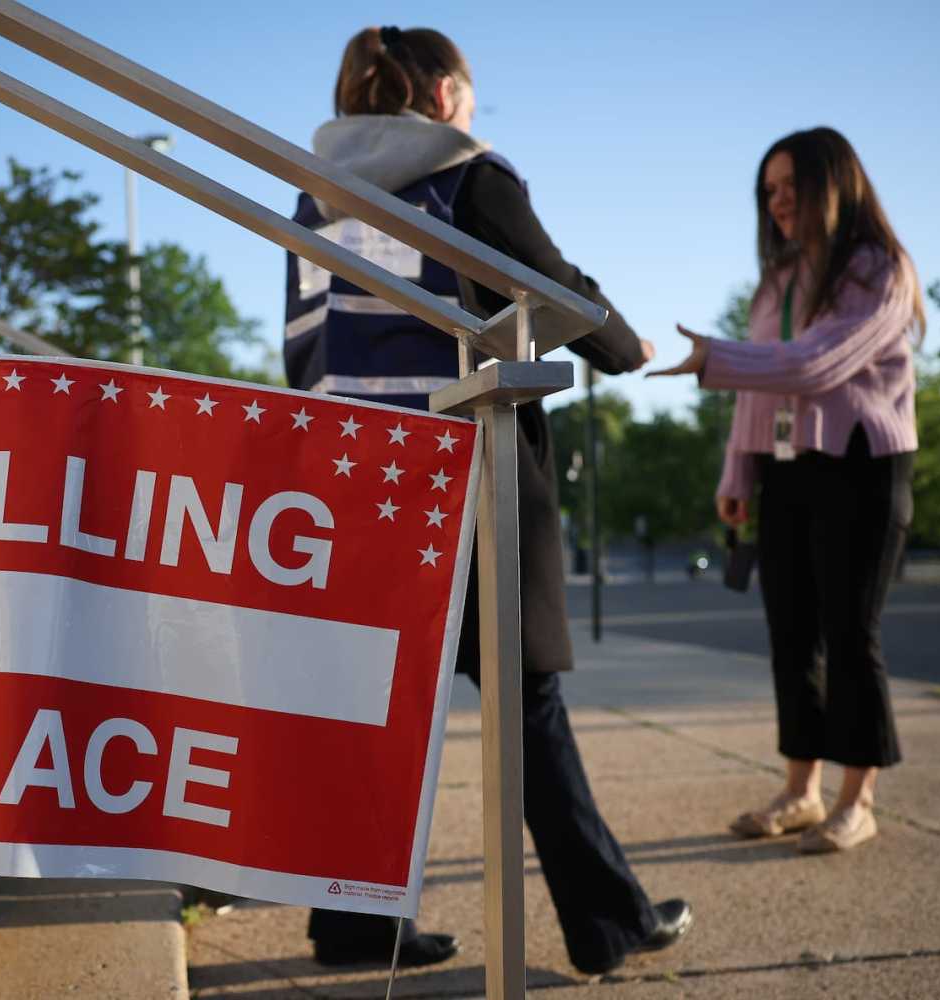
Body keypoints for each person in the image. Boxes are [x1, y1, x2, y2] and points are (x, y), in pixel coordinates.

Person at [284, 25, 693, 974]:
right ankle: (606, 923)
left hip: (358, 479)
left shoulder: (313, 191)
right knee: (526, 701)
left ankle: (349, 925)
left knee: (373, 706)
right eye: (471, 93)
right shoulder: (466, 172)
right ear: (441, 94)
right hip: (467, 471)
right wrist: (625, 347)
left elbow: (302, 339)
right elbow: (555, 288)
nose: (474, 110)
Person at [649, 126, 923, 853]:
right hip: (787, 473)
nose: (776, 203)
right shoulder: (778, 282)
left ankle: (856, 798)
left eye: (790, 187)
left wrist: (712, 357)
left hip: (861, 468)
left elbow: (812, 367)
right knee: (791, 632)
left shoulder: (878, 271)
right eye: (767, 191)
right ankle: (800, 790)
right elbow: (758, 392)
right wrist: (737, 474)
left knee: (849, 632)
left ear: (834, 185)